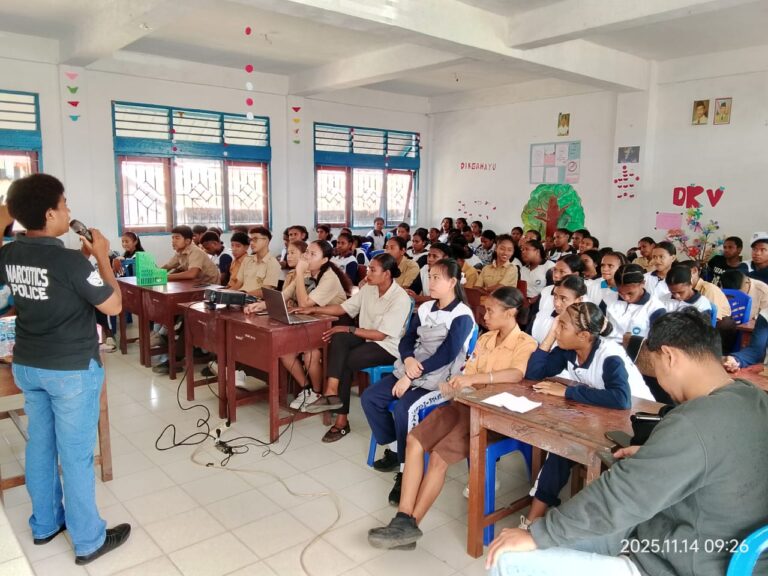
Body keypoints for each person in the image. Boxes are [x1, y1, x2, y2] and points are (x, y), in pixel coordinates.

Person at [487, 308, 768, 576]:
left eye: (655, 368)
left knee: (509, 558)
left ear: (669, 356)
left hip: (680, 563)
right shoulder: (755, 397)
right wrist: (657, 454)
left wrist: (537, 534)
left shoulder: (693, 421)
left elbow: (621, 495)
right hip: (731, 552)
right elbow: (722, 456)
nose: (660, 380)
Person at [0, 174, 131, 564]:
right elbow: (113, 305)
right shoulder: (69, 261)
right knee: (75, 456)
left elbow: (47, 284)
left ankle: (44, 524)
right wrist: (102, 259)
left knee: (40, 445)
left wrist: (84, 261)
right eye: (65, 204)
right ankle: (89, 540)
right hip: (71, 370)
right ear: (49, 214)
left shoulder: (9, 254)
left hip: (29, 365)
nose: (69, 210)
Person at [368, 287, 536, 550]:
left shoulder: (526, 343)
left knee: (438, 457)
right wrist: (457, 382)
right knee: (414, 441)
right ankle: (402, 518)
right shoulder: (486, 339)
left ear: (510, 312)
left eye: (490, 310)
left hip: (492, 414)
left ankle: (411, 525)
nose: (484, 315)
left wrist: (473, 379)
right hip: (465, 405)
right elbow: (468, 370)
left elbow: (516, 374)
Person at [518, 302, 653, 531]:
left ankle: (585, 524)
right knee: (562, 446)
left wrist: (567, 392)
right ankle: (533, 522)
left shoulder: (609, 356)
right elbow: (534, 374)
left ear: (583, 336)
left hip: (635, 423)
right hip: (603, 415)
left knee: (567, 446)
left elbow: (621, 399)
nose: (557, 329)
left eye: (562, 326)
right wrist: (550, 337)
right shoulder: (568, 349)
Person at [361, 258, 475, 505]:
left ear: (452, 282)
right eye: (429, 276)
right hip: (414, 368)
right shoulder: (426, 309)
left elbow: (447, 354)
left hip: (441, 379)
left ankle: (406, 472)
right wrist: (409, 359)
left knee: (405, 408)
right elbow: (407, 339)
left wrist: (409, 376)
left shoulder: (462, 315)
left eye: (437, 278)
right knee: (370, 398)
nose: (430, 282)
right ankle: (395, 449)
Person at [299, 254, 412, 442]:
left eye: (373, 270)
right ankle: (331, 391)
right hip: (366, 338)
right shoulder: (369, 289)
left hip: (388, 347)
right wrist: (314, 309)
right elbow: (343, 308)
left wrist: (349, 328)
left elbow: (381, 335)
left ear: (387, 274)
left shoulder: (400, 298)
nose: (368, 273)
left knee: (345, 357)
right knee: (339, 338)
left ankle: (341, 420)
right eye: (368, 269)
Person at [246, 240, 349, 409]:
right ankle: (307, 389)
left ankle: (317, 392)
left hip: (332, 326)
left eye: (312, 254)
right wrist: (261, 305)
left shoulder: (329, 277)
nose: (306, 256)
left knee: (310, 354)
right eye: (307, 252)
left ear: (324, 260)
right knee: (285, 352)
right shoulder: (308, 273)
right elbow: (285, 295)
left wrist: (299, 273)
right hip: (310, 323)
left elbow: (304, 304)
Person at [604, 264, 665, 342]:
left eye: (630, 293)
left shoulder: (656, 308)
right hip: (605, 346)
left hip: (636, 348)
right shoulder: (607, 299)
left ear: (643, 283)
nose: (626, 298)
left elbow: (656, 341)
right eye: (620, 292)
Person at [530, 275, 586, 344]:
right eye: (555, 296)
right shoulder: (540, 316)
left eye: (563, 299)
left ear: (579, 300)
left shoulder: (583, 327)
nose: (557, 303)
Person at [236, 226, 280, 297]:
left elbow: (265, 291)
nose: (251, 243)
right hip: (240, 297)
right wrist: (227, 294)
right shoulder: (247, 260)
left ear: (266, 241)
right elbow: (238, 284)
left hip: (255, 301)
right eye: (250, 240)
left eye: (255, 239)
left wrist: (242, 296)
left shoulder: (273, 263)